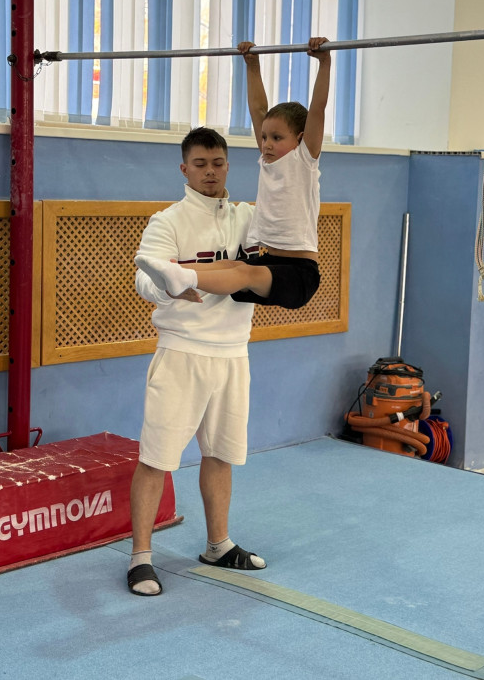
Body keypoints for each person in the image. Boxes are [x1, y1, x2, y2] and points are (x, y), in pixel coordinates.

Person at [127, 127, 266, 597]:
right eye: (201, 164)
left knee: (221, 454)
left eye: (218, 163)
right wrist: (169, 285)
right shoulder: (168, 221)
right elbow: (144, 277)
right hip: (182, 352)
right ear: (184, 169)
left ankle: (217, 544)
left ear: (228, 165)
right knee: (157, 458)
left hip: (233, 352)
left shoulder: (249, 218)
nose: (210, 172)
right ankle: (140, 558)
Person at [135, 36, 331, 311]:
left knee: (243, 273)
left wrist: (324, 62)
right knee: (230, 265)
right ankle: (175, 272)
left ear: (300, 138)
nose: (266, 144)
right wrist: (252, 66)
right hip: (271, 261)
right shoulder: (268, 160)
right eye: (264, 137)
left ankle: (186, 277)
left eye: (276, 138)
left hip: (300, 272)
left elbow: (318, 109)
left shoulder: (304, 160)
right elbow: (258, 109)